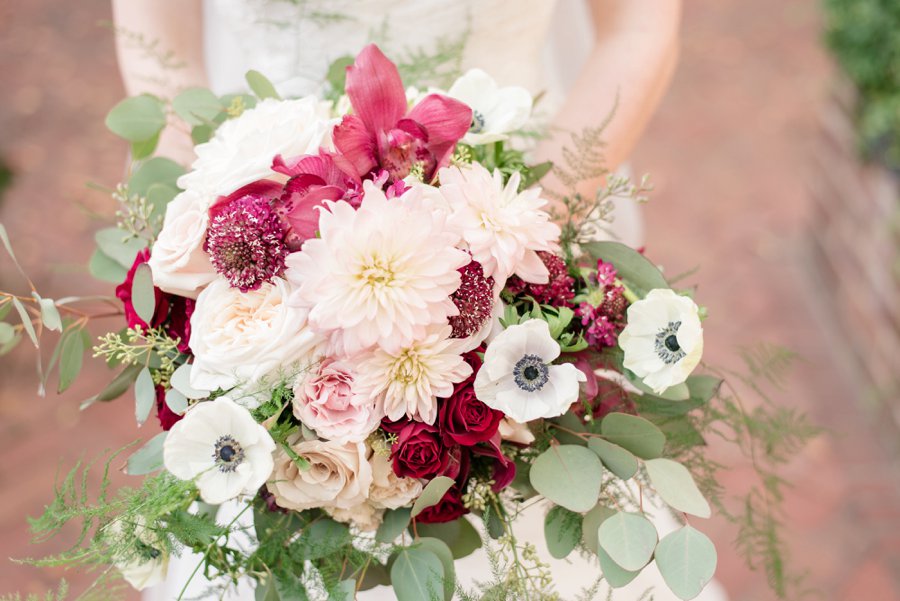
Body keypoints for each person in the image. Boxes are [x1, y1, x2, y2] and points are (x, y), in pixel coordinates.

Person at [113, 1, 727, 599]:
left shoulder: (503, 251)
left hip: (504, 204)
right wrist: (203, 254)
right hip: (270, 223)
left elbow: (639, 25)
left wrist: (515, 243)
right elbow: (158, 44)